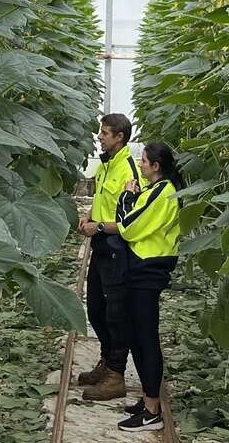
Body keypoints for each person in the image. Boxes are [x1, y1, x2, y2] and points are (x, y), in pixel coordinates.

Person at [98, 140, 182, 434]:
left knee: (146, 340)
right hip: (142, 270)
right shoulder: (156, 191)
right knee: (137, 336)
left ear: (156, 167)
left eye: (144, 161)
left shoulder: (164, 193)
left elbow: (128, 226)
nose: (141, 164)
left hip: (148, 271)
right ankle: (149, 403)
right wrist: (133, 198)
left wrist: (124, 197)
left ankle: (151, 411)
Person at [76, 113, 138, 402]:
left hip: (117, 246)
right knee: (96, 311)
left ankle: (116, 375)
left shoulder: (128, 169)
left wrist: (99, 226)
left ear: (119, 138)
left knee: (116, 313)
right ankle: (106, 362)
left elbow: (133, 220)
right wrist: (90, 215)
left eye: (104, 133)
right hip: (101, 243)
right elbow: (103, 199)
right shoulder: (107, 165)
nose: (99, 136)